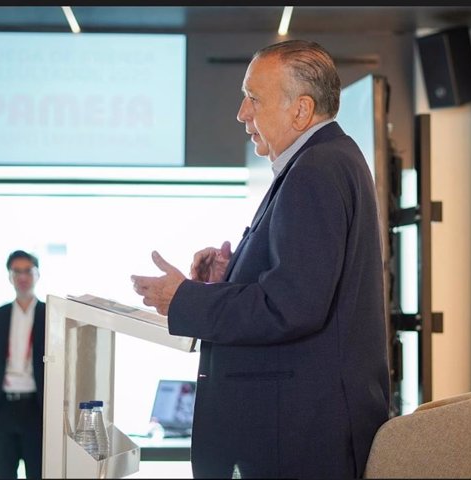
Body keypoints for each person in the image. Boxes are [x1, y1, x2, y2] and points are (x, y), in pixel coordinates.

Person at [131, 39, 389, 479]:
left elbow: (291, 307)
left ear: (301, 111)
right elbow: (298, 286)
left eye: (253, 98)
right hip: (303, 432)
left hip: (298, 440)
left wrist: (185, 299)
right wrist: (228, 280)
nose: (241, 113)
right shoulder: (325, 161)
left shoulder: (314, 171)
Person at [0, 250, 46, 479]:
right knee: (2, 474)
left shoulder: (50, 315)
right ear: (9, 277)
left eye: (27, 271)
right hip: (1, 409)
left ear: (37, 275)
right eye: (17, 272)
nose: (22, 277)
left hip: (37, 409)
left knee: (39, 473)